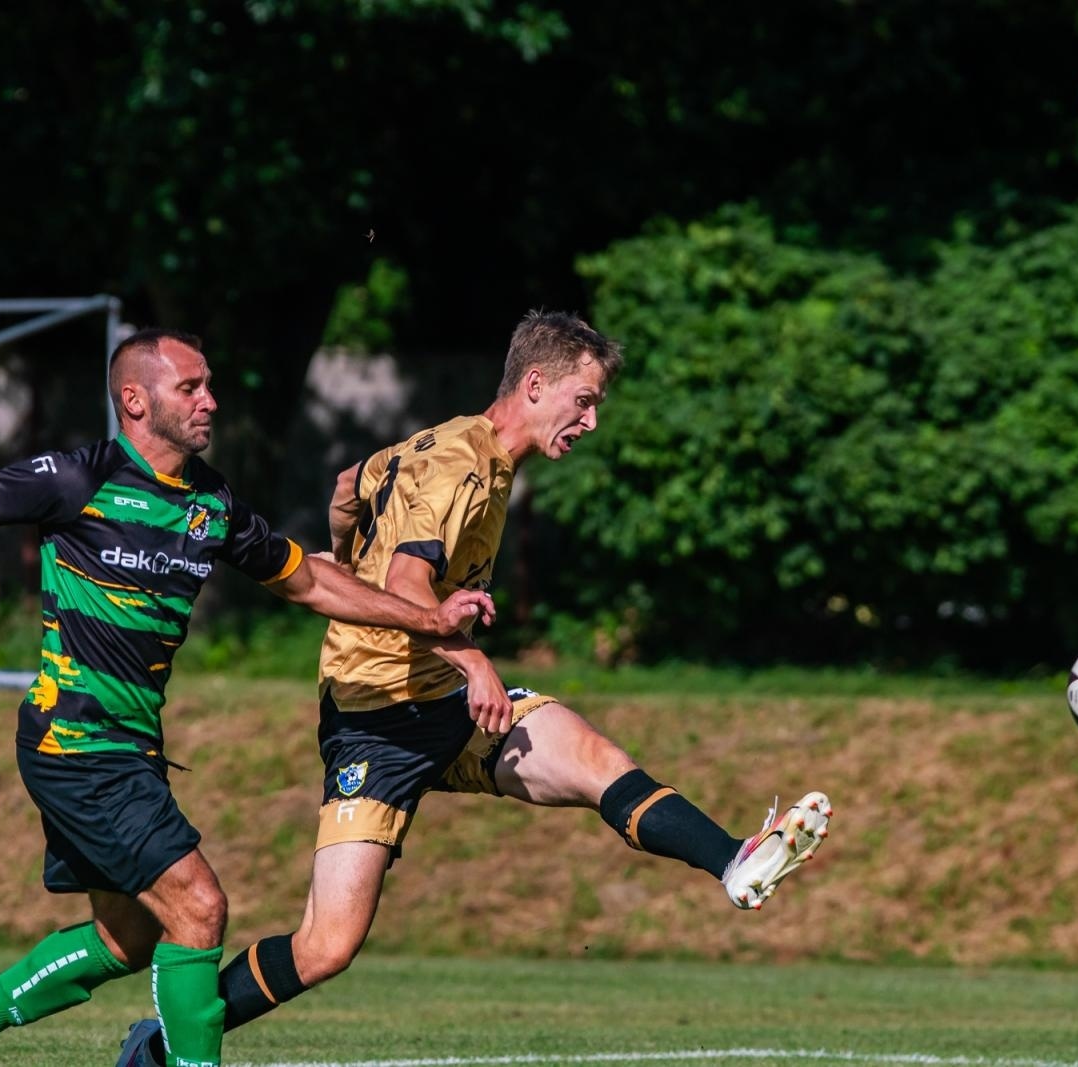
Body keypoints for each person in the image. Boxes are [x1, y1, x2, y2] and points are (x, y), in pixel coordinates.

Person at [0, 328, 496, 1067]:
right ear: (135, 400)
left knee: (128, 937)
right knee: (198, 907)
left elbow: (309, 581)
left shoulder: (210, 502)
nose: (209, 400)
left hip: (129, 748)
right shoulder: (76, 480)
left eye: (209, 385)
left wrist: (428, 619)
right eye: (190, 387)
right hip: (76, 741)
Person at [114, 311, 833, 1067]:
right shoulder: (461, 463)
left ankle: (734, 860)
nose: (591, 420)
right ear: (535, 384)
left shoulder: (447, 448)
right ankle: (162, 1044)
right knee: (326, 945)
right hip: (376, 716)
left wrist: (347, 549)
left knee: (593, 758)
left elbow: (349, 486)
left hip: (449, 705)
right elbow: (407, 583)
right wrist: (473, 662)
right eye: (584, 400)